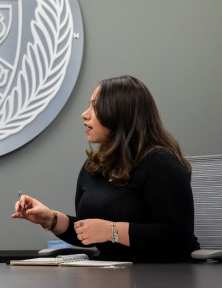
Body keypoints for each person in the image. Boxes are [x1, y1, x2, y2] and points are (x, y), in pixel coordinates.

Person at [12, 75, 200, 262]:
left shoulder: (161, 163)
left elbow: (179, 237)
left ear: (120, 113)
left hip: (161, 274)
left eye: (95, 106)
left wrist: (112, 231)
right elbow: (89, 232)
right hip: (109, 272)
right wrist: (49, 218)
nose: (85, 114)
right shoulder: (94, 167)